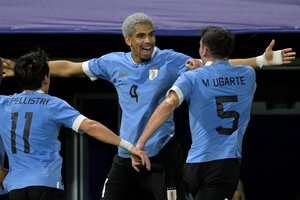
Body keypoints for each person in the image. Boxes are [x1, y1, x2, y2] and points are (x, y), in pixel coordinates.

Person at [1, 13, 296, 200]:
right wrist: (21, 67)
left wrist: (260, 61)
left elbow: (216, 65)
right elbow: (69, 67)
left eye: (151, 34)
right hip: (126, 153)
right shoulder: (111, 62)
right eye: (141, 35)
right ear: (128, 39)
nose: (148, 40)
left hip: (162, 155)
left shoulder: (170, 59)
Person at [0, 49, 150, 200]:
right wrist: (129, 146)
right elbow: (91, 126)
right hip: (47, 186)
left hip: (15, 189)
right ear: (46, 78)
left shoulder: (3, 104)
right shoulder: (54, 105)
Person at [134, 26, 256, 200]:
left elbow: (168, 105)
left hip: (193, 164)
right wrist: (263, 60)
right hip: (224, 164)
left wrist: (140, 143)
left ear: (204, 50)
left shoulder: (192, 77)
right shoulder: (248, 74)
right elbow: (231, 65)